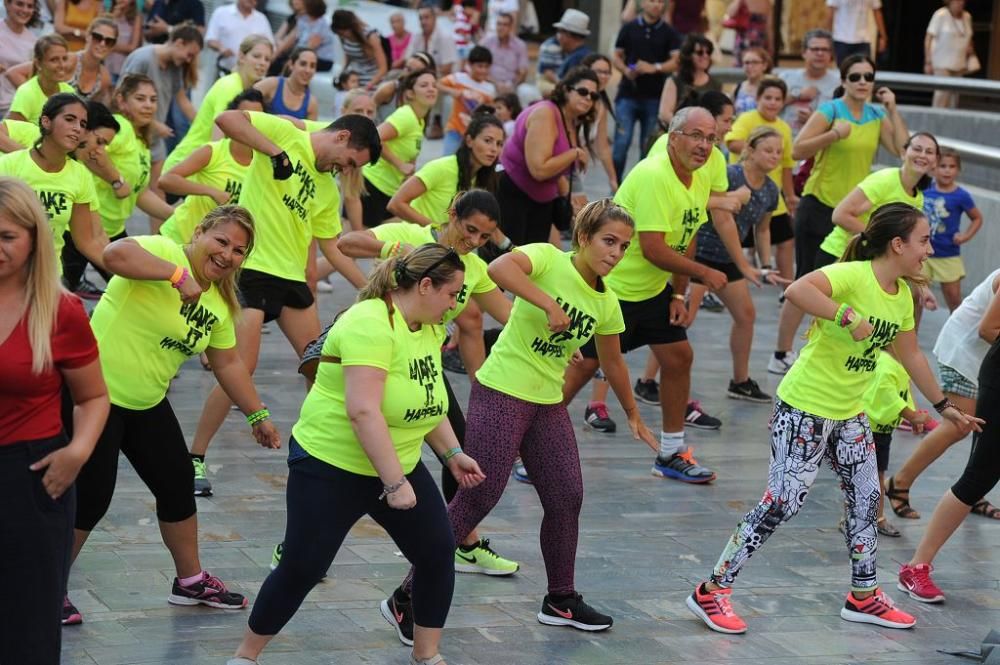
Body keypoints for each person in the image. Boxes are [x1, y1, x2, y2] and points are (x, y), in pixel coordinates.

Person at [687, 202, 982, 635]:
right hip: (805, 407)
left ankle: (863, 596)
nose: (928, 249)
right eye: (922, 240)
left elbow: (911, 352)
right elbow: (799, 290)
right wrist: (845, 314)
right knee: (783, 502)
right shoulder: (854, 276)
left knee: (867, 500)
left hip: (850, 413)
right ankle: (711, 591)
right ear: (897, 244)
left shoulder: (902, 294)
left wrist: (942, 407)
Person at [381, 200, 658, 644]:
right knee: (479, 494)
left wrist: (632, 414)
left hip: (546, 404)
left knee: (567, 496)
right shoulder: (549, 259)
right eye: (609, 241)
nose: (616, 252)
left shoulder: (606, 301)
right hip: (501, 391)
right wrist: (547, 303)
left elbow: (614, 361)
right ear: (583, 238)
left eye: (624, 246)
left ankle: (560, 599)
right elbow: (500, 269)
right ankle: (405, 597)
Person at [225, 244, 481, 665]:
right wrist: (394, 483)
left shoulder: (430, 326)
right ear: (426, 285)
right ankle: (245, 656)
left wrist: (451, 452)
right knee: (303, 567)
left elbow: (426, 395)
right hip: (332, 465)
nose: (456, 304)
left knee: (437, 554)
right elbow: (363, 410)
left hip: (397, 459)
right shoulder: (369, 324)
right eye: (452, 293)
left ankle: (427, 656)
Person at [64, 207, 282, 625]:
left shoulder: (220, 302)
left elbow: (229, 362)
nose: (227, 255)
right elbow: (114, 254)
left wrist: (259, 416)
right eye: (221, 241)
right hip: (94, 395)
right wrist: (175, 275)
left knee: (178, 483)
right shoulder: (163, 251)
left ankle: (190, 581)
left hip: (146, 402)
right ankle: (47, 585)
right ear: (199, 232)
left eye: (239, 250)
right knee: (92, 496)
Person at [187, 111, 380, 495]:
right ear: (342, 137)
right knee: (240, 368)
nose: (347, 170)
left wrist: (373, 288)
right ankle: (195, 457)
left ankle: (322, 455)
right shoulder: (289, 133)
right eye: (351, 162)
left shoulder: (328, 189)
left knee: (319, 366)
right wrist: (275, 152)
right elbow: (228, 119)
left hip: (291, 280)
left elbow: (333, 248)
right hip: (253, 270)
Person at [337, 190, 519, 572]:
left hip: (421, 366)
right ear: (452, 214)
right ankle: (296, 546)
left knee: (458, 445)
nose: (473, 242)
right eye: (469, 230)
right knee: (346, 467)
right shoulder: (413, 235)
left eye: (484, 237)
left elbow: (509, 315)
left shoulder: (474, 268)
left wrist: (555, 330)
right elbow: (345, 243)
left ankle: (462, 540)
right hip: (375, 358)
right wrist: (395, 246)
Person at [562, 107, 724, 483]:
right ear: (673, 137)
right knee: (580, 370)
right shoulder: (654, 175)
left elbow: (688, 233)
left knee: (679, 356)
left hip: (651, 292)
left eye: (711, 138)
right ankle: (527, 451)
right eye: (696, 136)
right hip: (612, 291)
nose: (704, 146)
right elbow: (653, 247)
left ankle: (669, 452)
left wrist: (679, 295)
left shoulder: (698, 174)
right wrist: (704, 274)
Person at [0, 176, 108, 664]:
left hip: (32, 476)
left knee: (27, 627)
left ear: (33, 239)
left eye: (7, 236)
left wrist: (78, 452)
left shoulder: (60, 310)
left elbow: (94, 397)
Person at [770, 54, 908, 376]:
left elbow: (903, 150)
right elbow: (797, 150)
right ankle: (780, 352)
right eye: (856, 76)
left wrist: (893, 109)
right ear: (843, 80)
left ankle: (831, 350)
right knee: (805, 280)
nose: (862, 82)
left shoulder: (876, 113)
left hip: (853, 211)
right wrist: (834, 134)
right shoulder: (830, 111)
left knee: (848, 283)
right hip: (819, 205)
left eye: (868, 77)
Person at [898, 276, 1000, 603]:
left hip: (980, 364)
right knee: (979, 474)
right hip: (988, 372)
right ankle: (916, 566)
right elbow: (989, 328)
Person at [887, 268, 1000, 525]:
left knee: (984, 423)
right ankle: (899, 482)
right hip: (962, 352)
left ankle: (973, 493)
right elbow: (988, 328)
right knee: (958, 426)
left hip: (985, 359)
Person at [686, 126, 787, 403]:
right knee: (683, 319)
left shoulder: (770, 190)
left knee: (746, 316)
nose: (774, 156)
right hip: (700, 253)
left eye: (779, 152)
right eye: (768, 150)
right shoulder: (730, 175)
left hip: (730, 258)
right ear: (750, 150)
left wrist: (765, 265)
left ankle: (740, 381)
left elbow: (763, 230)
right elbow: (709, 209)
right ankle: (649, 381)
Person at [65, 74, 175, 294]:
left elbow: (139, 193)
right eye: (140, 98)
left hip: (112, 230)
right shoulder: (121, 128)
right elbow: (85, 152)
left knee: (130, 291)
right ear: (122, 101)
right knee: (58, 296)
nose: (148, 105)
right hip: (82, 228)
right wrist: (115, 179)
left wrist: (176, 216)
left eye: (153, 100)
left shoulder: (140, 141)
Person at [0, 93, 106, 282]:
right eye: (69, 119)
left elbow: (87, 241)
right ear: (46, 122)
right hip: (7, 274)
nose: (77, 129)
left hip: (48, 278)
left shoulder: (80, 176)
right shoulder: (9, 166)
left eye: (82, 124)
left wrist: (125, 272)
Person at [496, 66, 596, 247]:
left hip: (541, 202)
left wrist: (567, 196)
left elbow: (555, 168)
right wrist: (575, 153)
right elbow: (539, 169)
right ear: (566, 90)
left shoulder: (571, 120)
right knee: (509, 262)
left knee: (534, 264)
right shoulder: (546, 113)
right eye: (583, 92)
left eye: (593, 96)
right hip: (514, 195)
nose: (588, 98)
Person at [120, 23, 203, 224]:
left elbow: (182, 100)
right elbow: (120, 96)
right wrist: (154, 124)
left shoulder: (175, 68)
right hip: (130, 136)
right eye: (189, 54)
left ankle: (157, 241)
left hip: (153, 139)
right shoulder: (143, 59)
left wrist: (205, 124)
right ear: (179, 42)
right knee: (124, 187)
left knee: (159, 191)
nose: (189, 60)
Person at [159, 89, 265, 247]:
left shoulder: (263, 165)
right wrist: (211, 191)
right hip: (178, 238)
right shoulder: (213, 151)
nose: (249, 123)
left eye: (256, 117)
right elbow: (166, 181)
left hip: (214, 253)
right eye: (244, 116)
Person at [818, 132, 938, 268]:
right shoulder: (884, 179)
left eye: (929, 152)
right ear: (904, 152)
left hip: (869, 264)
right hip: (839, 255)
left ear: (935, 161)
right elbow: (840, 215)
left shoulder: (919, 197)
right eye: (917, 149)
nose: (922, 155)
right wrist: (882, 239)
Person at [163, 35, 273, 174]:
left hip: (199, 169)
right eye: (257, 56)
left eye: (267, 59)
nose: (262, 63)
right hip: (185, 167)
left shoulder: (245, 91)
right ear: (241, 56)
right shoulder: (230, 86)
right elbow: (217, 140)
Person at [725, 77, 797, 280]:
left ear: (783, 102)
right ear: (758, 98)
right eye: (768, 97)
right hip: (742, 189)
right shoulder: (747, 119)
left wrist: (790, 195)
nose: (772, 102)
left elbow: (787, 164)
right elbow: (731, 142)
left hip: (770, 195)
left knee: (784, 240)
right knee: (730, 239)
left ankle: (785, 286)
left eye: (777, 98)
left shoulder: (784, 127)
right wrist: (758, 150)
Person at [387, 110, 503, 228]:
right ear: (469, 141)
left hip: (447, 245)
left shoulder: (484, 178)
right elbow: (396, 204)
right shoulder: (441, 167)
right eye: (488, 141)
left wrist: (506, 244)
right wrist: (438, 230)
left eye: (499, 144)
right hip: (417, 242)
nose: (494, 149)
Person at [863, 348, 929, 539]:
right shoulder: (884, 365)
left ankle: (874, 517)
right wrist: (912, 416)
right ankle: (871, 518)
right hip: (869, 428)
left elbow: (904, 392)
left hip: (882, 429)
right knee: (868, 475)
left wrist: (913, 415)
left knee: (876, 473)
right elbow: (889, 397)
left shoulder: (898, 364)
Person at [611, 0, 682, 180]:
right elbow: (616, 55)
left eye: (660, 1)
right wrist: (626, 70)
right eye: (652, 0)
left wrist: (655, 67)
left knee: (647, 149)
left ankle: (638, 187)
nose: (656, 5)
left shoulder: (669, 32)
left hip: (654, 98)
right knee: (620, 146)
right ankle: (615, 188)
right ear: (642, 3)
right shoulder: (629, 28)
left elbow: (676, 61)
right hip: (628, 94)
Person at [361, 68, 437, 227]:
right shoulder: (406, 115)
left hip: (389, 190)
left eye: (434, 85)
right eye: (424, 85)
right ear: (410, 93)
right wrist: (399, 164)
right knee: (356, 245)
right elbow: (374, 137)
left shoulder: (419, 120)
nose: (431, 89)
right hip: (373, 184)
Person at [922, 148, 981, 312]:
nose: (947, 170)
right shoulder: (925, 189)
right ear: (933, 168)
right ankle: (912, 336)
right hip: (922, 254)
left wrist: (965, 236)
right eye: (942, 166)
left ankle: (958, 336)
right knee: (915, 298)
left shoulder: (961, 196)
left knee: (954, 299)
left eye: (952, 166)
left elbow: (977, 218)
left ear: (958, 170)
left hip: (948, 253)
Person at [778, 29, 840, 136]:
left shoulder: (839, 83)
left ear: (831, 55)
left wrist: (814, 120)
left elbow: (843, 120)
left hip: (819, 146)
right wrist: (797, 95)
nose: (820, 53)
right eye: (815, 49)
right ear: (804, 53)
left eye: (825, 50)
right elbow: (767, 107)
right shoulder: (786, 77)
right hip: (783, 144)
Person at [438, 46, 496, 156]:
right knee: (447, 160)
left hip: (476, 134)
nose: (483, 70)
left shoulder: (489, 89)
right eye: (480, 66)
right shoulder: (458, 78)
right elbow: (437, 84)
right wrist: (453, 91)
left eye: (486, 67)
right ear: (469, 64)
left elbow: (491, 112)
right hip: (454, 129)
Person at [6, 35, 75, 123]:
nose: (62, 65)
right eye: (54, 60)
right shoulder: (26, 93)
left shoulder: (69, 92)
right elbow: (11, 132)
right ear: (38, 64)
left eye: (64, 59)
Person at [657, 33, 722, 126]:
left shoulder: (716, 84)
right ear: (688, 55)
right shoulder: (675, 80)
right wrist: (686, 129)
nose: (705, 56)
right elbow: (665, 114)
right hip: (678, 133)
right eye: (700, 52)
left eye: (708, 52)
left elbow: (717, 114)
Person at [925, 0, 974, 109]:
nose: (960, 3)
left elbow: (969, 36)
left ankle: (950, 124)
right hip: (942, 63)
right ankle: (936, 122)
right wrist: (928, 61)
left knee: (954, 98)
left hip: (959, 63)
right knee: (941, 95)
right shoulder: (940, 15)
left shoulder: (967, 17)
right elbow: (929, 38)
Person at [204, 0, 274, 76]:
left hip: (250, 75)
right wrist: (221, 48)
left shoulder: (262, 19)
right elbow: (210, 39)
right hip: (224, 71)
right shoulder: (221, 12)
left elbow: (271, 47)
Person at [254, 47, 318, 121]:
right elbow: (245, 99)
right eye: (303, 64)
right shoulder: (272, 84)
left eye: (312, 66)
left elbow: (312, 132)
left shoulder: (312, 103)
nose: (307, 70)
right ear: (291, 65)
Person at [331, 9, 387, 90]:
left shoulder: (370, 36)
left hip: (373, 80)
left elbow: (383, 68)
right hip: (354, 79)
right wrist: (341, 74)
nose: (342, 36)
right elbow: (348, 56)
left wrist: (367, 87)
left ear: (351, 28)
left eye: (343, 33)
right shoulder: (343, 36)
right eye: (340, 34)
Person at [478, 11, 528, 96]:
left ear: (511, 27)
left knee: (527, 92)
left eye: (505, 25)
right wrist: (495, 83)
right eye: (499, 24)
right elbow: (477, 67)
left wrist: (513, 85)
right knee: (488, 90)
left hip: (512, 84)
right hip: (490, 82)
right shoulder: (486, 43)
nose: (501, 28)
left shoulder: (520, 45)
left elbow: (523, 72)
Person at [403, 4, 456, 77]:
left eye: (426, 17)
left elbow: (446, 69)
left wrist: (419, 68)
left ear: (434, 18)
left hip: (440, 78)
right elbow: (407, 59)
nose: (423, 22)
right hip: (417, 77)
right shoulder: (416, 36)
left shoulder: (446, 38)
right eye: (420, 18)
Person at [105, 0, 142, 82]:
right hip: (108, 66)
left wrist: (111, 45)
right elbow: (104, 35)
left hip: (125, 69)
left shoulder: (136, 17)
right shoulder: (109, 13)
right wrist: (114, 17)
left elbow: (133, 47)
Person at [727, 0, 772, 65]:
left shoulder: (766, 2)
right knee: (756, 64)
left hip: (746, 40)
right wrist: (771, 45)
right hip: (756, 40)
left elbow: (730, 13)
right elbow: (769, 27)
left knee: (742, 64)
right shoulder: (766, 2)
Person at [0, 0, 38, 75]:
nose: (25, 10)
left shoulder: (34, 42)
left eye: (30, 6)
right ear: (6, 4)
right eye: (19, 4)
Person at [732, 47, 771, 115]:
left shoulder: (771, 88)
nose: (750, 66)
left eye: (755, 62)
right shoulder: (737, 88)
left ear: (764, 65)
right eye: (746, 63)